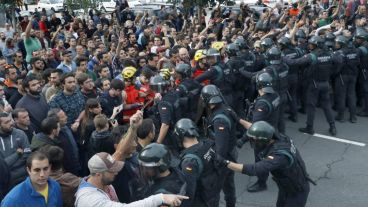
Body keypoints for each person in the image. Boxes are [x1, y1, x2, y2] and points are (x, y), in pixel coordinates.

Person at [221, 121, 312, 207]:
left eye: (254, 140)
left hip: (296, 192)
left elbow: (254, 169)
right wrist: (238, 119)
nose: (253, 142)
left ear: (263, 140)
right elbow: (254, 127)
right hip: (286, 187)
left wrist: (225, 163)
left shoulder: (279, 156)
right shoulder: (278, 136)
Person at [75, 151, 188, 207]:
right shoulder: (89, 200)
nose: (116, 172)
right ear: (98, 174)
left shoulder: (104, 183)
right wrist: (161, 198)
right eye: (112, 170)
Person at [284, 36, 339, 136]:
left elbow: (294, 62)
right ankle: (332, 126)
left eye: (311, 44)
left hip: (314, 84)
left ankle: (309, 127)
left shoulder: (312, 56)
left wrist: (283, 57)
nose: (309, 45)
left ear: (316, 45)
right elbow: (339, 61)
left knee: (311, 106)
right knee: (327, 106)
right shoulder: (330, 54)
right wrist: (332, 72)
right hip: (326, 83)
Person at [200, 84, 237, 207]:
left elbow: (221, 147)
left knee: (214, 191)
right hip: (231, 152)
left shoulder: (219, 119)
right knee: (229, 185)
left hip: (224, 157)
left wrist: (216, 164)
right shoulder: (226, 108)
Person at [174, 118, 221, 207]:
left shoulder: (189, 161)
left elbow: (189, 193)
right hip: (213, 194)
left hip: (202, 201)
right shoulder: (208, 144)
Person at [334, 35, 361, 123]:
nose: (336, 44)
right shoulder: (356, 51)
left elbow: (338, 65)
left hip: (342, 76)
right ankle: (353, 117)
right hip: (353, 75)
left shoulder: (340, 52)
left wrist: (336, 74)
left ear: (341, 44)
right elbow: (358, 62)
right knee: (352, 96)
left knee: (341, 96)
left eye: (337, 43)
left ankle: (340, 116)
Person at [0, 112, 31, 190]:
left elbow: (27, 154)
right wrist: (17, 154)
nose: (11, 123)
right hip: (7, 181)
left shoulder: (20, 134)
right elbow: (2, 166)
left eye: (10, 120)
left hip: (25, 176)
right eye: (7, 122)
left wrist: (7, 164)